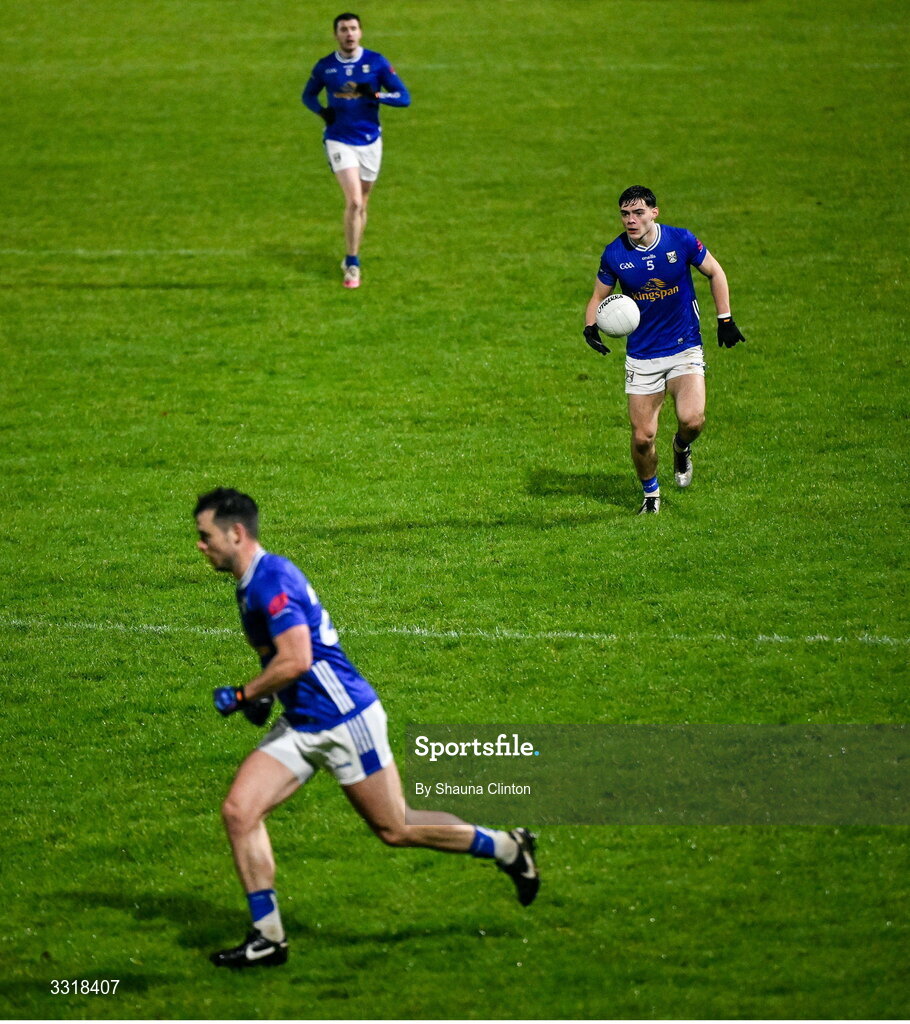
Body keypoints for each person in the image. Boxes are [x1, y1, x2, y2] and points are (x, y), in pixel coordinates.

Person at [193, 488, 540, 969]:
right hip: (304, 721)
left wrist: (245, 695)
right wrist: (269, 693)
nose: (200, 546)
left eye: (205, 536)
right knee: (239, 811)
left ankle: (506, 846)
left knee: (396, 827)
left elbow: (297, 658)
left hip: (344, 721)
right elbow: (285, 655)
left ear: (235, 532)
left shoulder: (270, 581)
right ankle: (268, 936)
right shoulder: (251, 579)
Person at [583, 186, 746, 514]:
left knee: (692, 420)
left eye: (638, 212)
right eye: (625, 214)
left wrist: (724, 318)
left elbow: (715, 271)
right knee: (643, 437)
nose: (631, 220)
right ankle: (651, 495)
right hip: (642, 355)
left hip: (685, 346)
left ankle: (681, 447)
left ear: (654, 212)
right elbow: (599, 296)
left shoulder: (681, 240)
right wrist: (590, 327)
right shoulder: (615, 254)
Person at [302, 13, 411, 289]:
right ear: (336, 35)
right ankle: (352, 263)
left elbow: (403, 97)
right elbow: (308, 95)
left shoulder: (376, 62)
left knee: (363, 202)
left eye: (353, 29)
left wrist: (373, 94)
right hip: (339, 139)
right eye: (343, 29)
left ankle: (353, 251)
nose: (349, 34)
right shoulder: (326, 67)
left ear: (360, 32)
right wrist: (323, 113)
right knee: (354, 201)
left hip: (370, 140)